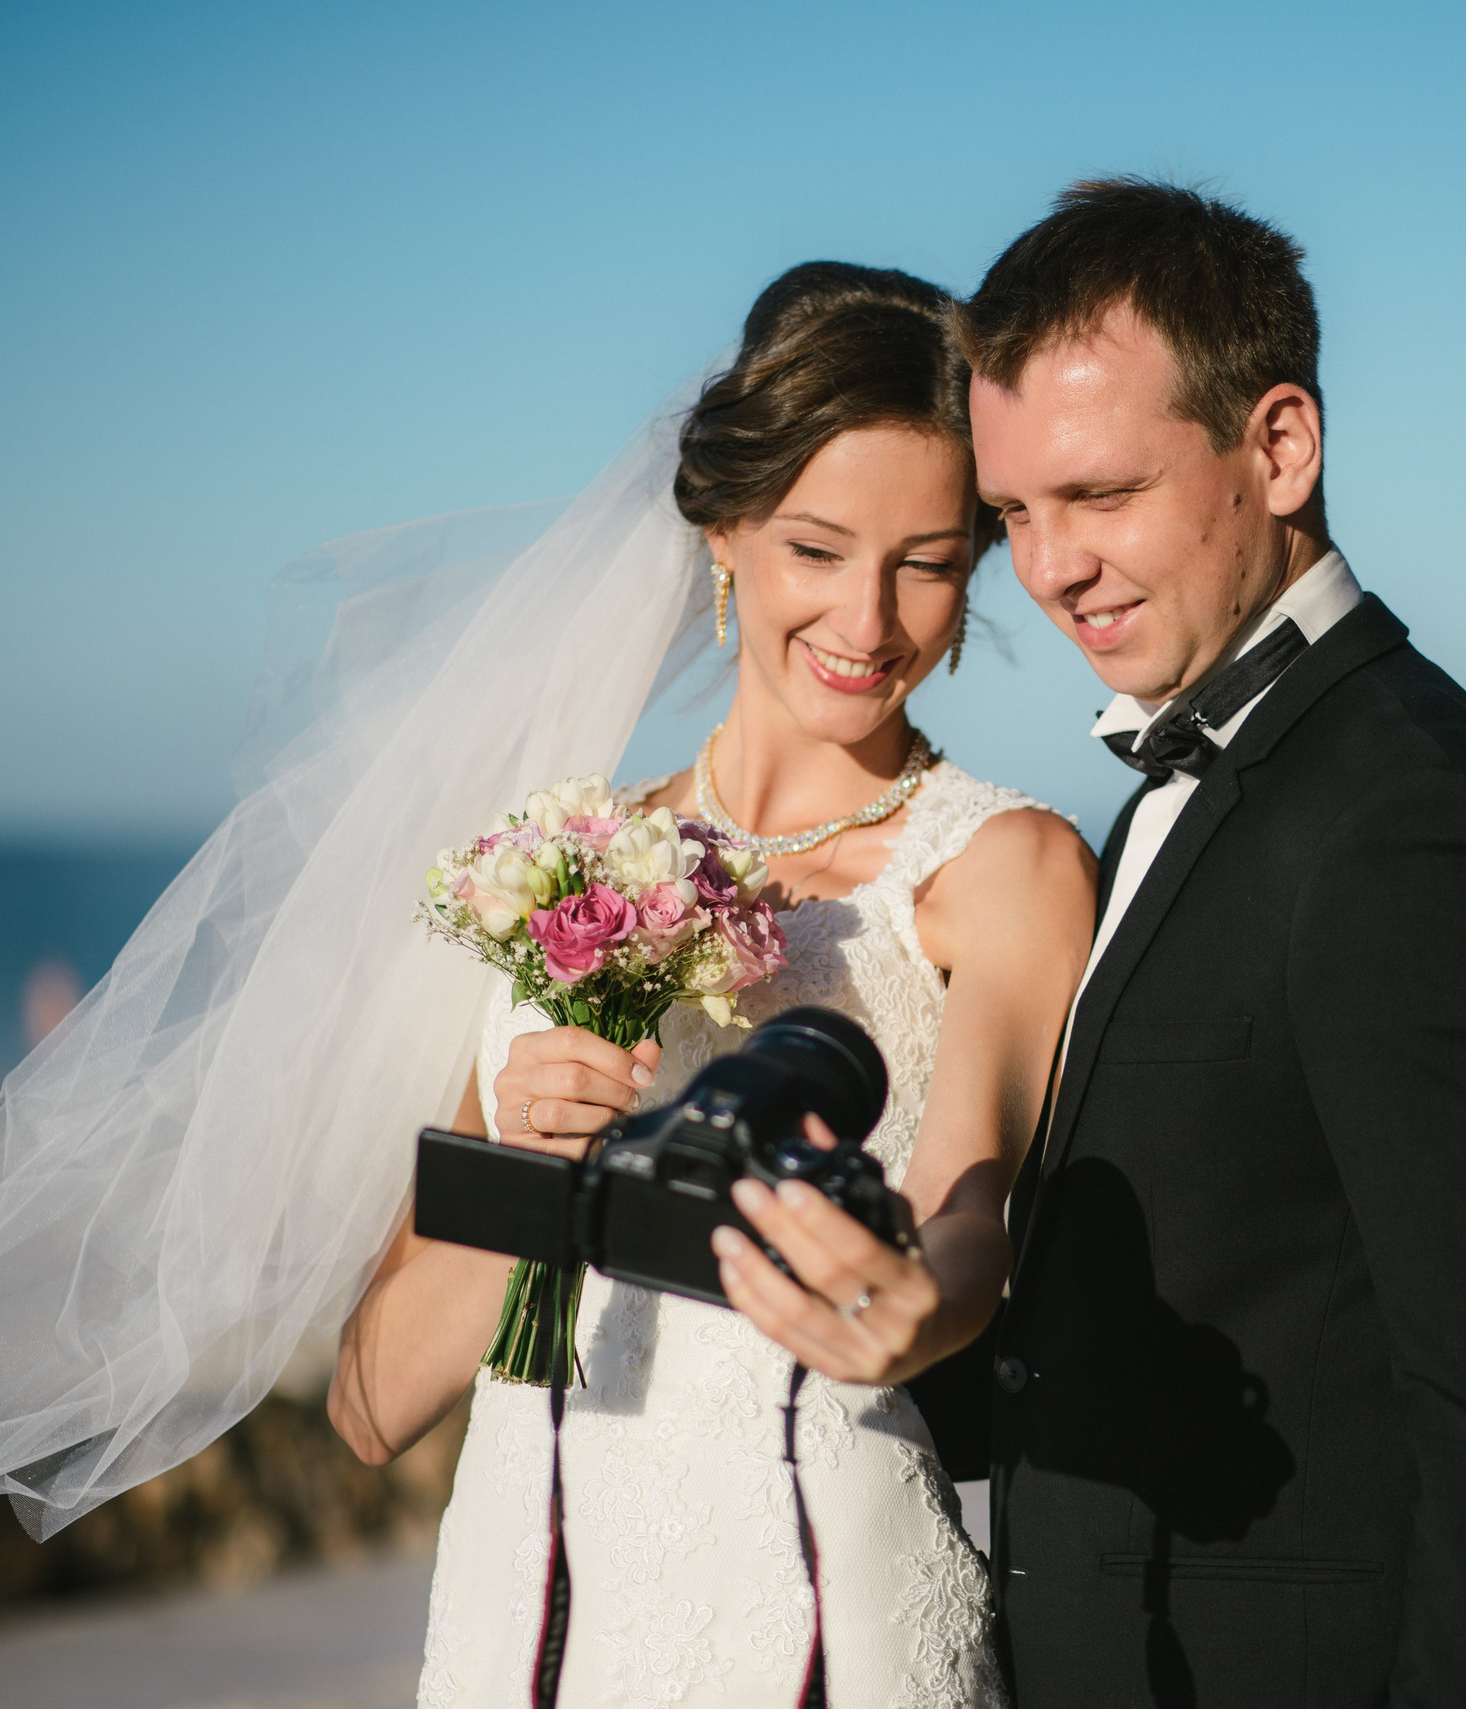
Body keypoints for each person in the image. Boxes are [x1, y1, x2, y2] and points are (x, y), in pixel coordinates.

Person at [330, 263, 1094, 1707]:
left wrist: (906, 1304)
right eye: (819, 546)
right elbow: (371, 1403)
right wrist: (536, 1170)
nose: (870, 621)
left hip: (822, 1626)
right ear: (723, 527)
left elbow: (973, 1216)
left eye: (928, 562)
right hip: (521, 1636)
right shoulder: (550, 877)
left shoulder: (1002, 866)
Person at [959, 180, 1466, 1706]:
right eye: (1013, 513)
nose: (1048, 567)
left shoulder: (1414, 824)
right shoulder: (1185, 789)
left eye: (1101, 495)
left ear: (1279, 448)